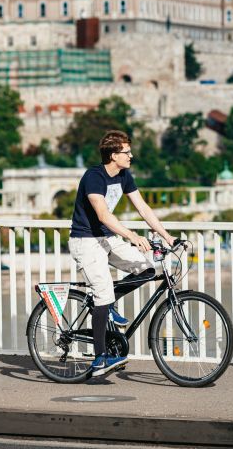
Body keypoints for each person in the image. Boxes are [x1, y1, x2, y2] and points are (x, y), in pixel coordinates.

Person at [69, 129, 177, 377]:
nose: (131, 156)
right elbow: (103, 215)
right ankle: (99, 359)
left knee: (148, 267)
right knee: (103, 293)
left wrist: (166, 235)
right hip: (86, 241)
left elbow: (143, 208)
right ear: (113, 155)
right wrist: (132, 236)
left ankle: (108, 302)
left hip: (107, 238)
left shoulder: (124, 176)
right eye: (126, 152)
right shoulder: (93, 177)